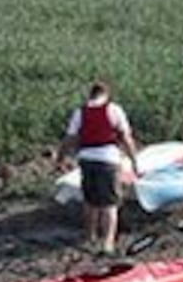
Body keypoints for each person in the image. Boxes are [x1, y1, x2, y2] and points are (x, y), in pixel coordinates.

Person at [58, 81, 139, 255]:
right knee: (110, 203)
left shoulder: (80, 112)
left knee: (90, 201)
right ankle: (108, 242)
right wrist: (134, 160)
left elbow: (69, 138)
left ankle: (90, 237)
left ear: (91, 95)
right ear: (106, 95)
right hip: (108, 159)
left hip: (86, 160)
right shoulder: (114, 110)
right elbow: (126, 137)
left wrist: (60, 158)